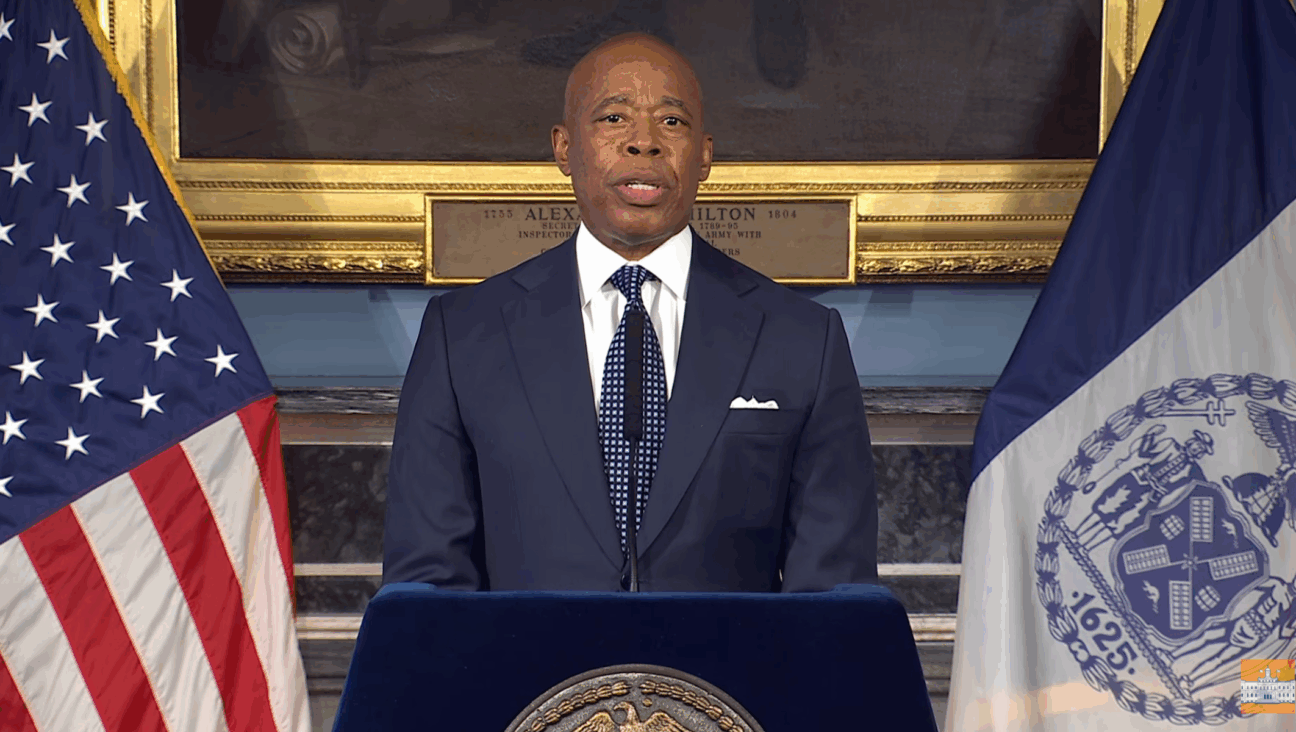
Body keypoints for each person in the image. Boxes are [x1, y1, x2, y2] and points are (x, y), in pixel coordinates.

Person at [381, 32, 877, 592]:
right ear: (564, 148)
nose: (645, 143)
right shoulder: (462, 334)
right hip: (530, 679)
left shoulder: (804, 339)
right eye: (613, 119)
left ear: (706, 154)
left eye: (672, 122)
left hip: (724, 681)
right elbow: (429, 581)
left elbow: (831, 593)